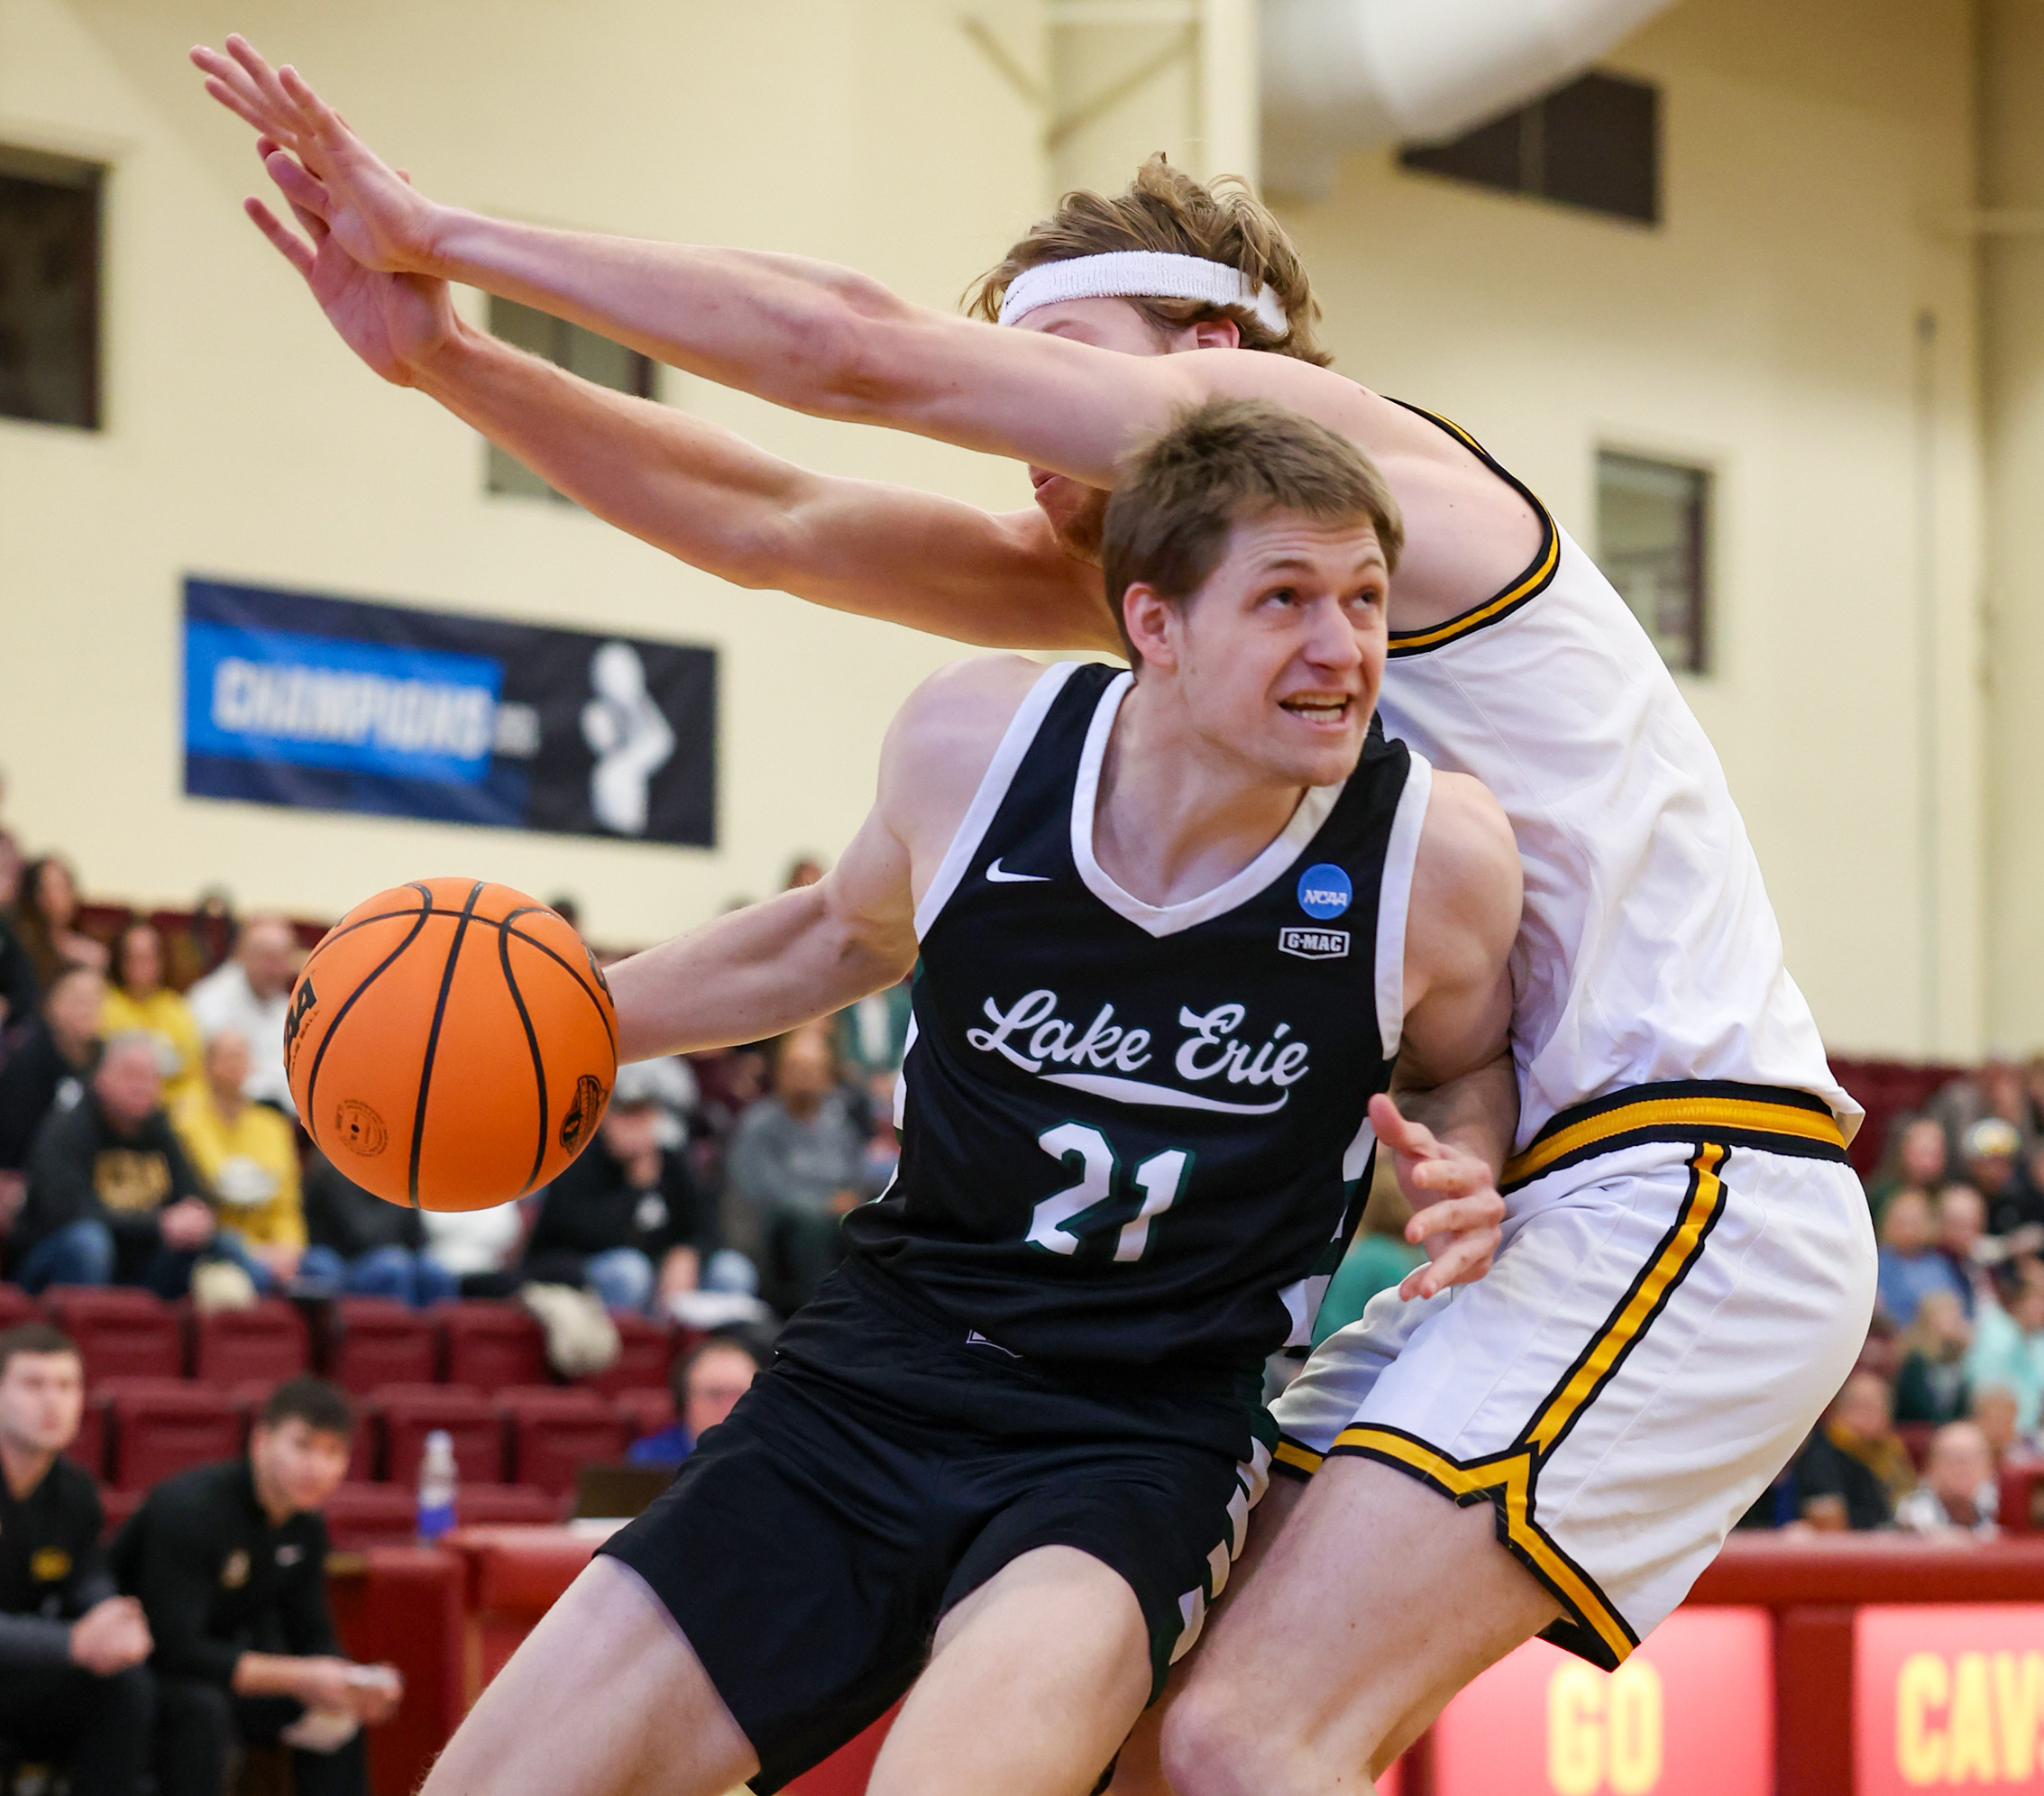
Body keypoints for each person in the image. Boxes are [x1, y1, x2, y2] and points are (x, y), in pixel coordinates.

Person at [197, 49, 1874, 1783]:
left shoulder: (1381, 484)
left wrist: (443, 233)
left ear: (1210, 355)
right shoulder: (1178, 610)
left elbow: (853, 351)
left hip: (1679, 1171)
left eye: (1051, 372)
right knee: (1153, 1748)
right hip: (1509, 1209)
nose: (1025, 447)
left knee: (1244, 1739)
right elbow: (776, 523)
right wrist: (446, 360)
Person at [324, 394, 1520, 1796]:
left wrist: (1469, 1160)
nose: (1342, 647)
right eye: (1286, 599)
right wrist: (548, 1027)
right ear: (1154, 623)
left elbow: (1463, 1067)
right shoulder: (978, 745)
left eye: (1364, 599)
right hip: (873, 1373)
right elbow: (838, 936)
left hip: (1134, 1440)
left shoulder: (1430, 858)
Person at [115, 1378, 402, 1796]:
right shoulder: (191, 1509)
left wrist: (352, 1682)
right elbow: (174, 1648)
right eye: (303, 1446)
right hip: (142, 1671)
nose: (317, 1468)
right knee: (203, 1711)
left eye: (333, 1452)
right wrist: (298, 1675)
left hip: (224, 1670)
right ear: (261, 1441)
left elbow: (311, 1633)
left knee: (336, 1713)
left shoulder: (306, 1526)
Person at [0, 1324, 155, 1796]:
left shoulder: (75, 1490)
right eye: (33, 1385)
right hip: (24, 1655)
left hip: (26, 1669)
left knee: (130, 1687)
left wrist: (115, 1619)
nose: (53, 1402)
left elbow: (88, 1578)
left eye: (67, 1386)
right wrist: (71, 1642)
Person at [14, 1031, 219, 1296]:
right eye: (131, 1075)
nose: (142, 1086)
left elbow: (192, 1195)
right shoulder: (68, 1128)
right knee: (89, 1243)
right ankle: (83, 1322)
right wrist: (157, 1224)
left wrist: (196, 1219)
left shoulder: (160, 1128)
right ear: (100, 1078)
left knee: (225, 1248)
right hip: (54, 1259)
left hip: (136, 1260)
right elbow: (69, 1213)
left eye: (151, 1077)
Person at [524, 1079, 719, 1313]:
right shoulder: (576, 1159)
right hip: (576, 1269)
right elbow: (579, 1235)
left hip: (658, 1273)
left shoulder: (670, 1164)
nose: (633, 1126)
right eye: (623, 1115)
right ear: (603, 1117)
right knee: (630, 1270)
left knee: (730, 1270)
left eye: (641, 1115)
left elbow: (705, 1224)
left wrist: (688, 1252)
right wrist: (636, 1189)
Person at [724, 1023, 878, 1315]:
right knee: (810, 1222)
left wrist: (851, 1201)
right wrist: (826, 1203)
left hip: (835, 1228)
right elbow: (760, 1192)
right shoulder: (758, 1125)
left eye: (812, 1068)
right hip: (774, 1237)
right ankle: (817, 1316)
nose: (804, 1076)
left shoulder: (839, 1126)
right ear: (779, 1072)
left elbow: (857, 1181)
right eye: (795, 1067)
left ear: (829, 1075)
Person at [171, 1030, 308, 1293]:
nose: (236, 1065)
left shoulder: (274, 1126)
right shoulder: (186, 1119)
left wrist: (290, 1249)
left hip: (271, 1248)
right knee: (236, 1257)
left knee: (324, 1267)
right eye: (228, 1057)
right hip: (214, 1243)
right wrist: (259, 1253)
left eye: (242, 1057)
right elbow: (220, 1183)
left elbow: (287, 1205)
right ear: (206, 1065)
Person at [0, 961, 103, 1222]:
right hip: (33, 1190)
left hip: (93, 1184)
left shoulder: (105, 1060)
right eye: (79, 1000)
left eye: (96, 1000)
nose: (88, 1009)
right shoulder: (26, 1061)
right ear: (52, 1004)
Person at [300, 1147, 459, 1306]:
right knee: (393, 1266)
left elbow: (418, 1236)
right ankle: (395, 1321)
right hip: (344, 1262)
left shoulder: (399, 1171)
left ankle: (435, 1321)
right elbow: (361, 1235)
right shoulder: (335, 1169)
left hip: (392, 1254)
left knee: (435, 1271)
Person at [184, 913, 299, 1115]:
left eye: (282, 960)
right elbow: (216, 1074)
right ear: (243, 955)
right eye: (268, 959)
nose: (276, 970)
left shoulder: (289, 1008)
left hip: (279, 1119)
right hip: (222, 1115)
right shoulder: (209, 1000)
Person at [1794, 1371, 1914, 1531]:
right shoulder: (1822, 1453)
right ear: (1839, 1410)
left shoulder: (1890, 1452)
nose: (1870, 1416)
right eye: (1862, 1407)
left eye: (1879, 1408)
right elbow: (1828, 1518)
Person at [101, 919, 204, 1104]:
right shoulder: (104, 1007)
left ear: (162, 961)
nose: (141, 965)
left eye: (148, 957)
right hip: (116, 1107)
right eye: (133, 957)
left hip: (167, 1109)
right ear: (120, 961)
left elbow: (194, 1077)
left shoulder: (178, 1010)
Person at [626, 1335, 764, 1469]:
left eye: (741, 1395)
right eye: (715, 1394)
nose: (730, 1406)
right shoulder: (650, 1460)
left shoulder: (772, 1458)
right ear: (685, 1400)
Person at [1966, 1263, 2044, 1434]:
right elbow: (1985, 1400)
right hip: (1997, 1432)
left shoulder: (2038, 1339)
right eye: (2039, 1299)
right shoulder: (1994, 1334)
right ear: (2020, 1301)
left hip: (2031, 1434)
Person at [9, 857, 107, 992]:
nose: (56, 897)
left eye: (63, 887)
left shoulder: (91, 953)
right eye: (47, 889)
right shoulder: (16, 947)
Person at [1875, 1187, 1969, 1327]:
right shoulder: (1878, 1265)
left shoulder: (1939, 1265)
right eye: (1901, 1221)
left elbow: (1959, 1306)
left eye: (1913, 1221)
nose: (1907, 1229)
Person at [1893, 1421, 2000, 1537]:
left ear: (1989, 1468)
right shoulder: (1911, 1513)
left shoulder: (2000, 1507)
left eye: (1974, 1458)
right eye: (1953, 1458)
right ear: (1931, 1467)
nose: (1963, 1468)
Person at [1893, 1289, 1973, 1426]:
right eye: (1950, 1315)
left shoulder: (1957, 1360)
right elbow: (1915, 1406)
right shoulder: (1916, 1361)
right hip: (1918, 1429)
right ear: (1932, 1319)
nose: (1958, 1322)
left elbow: (1962, 1408)